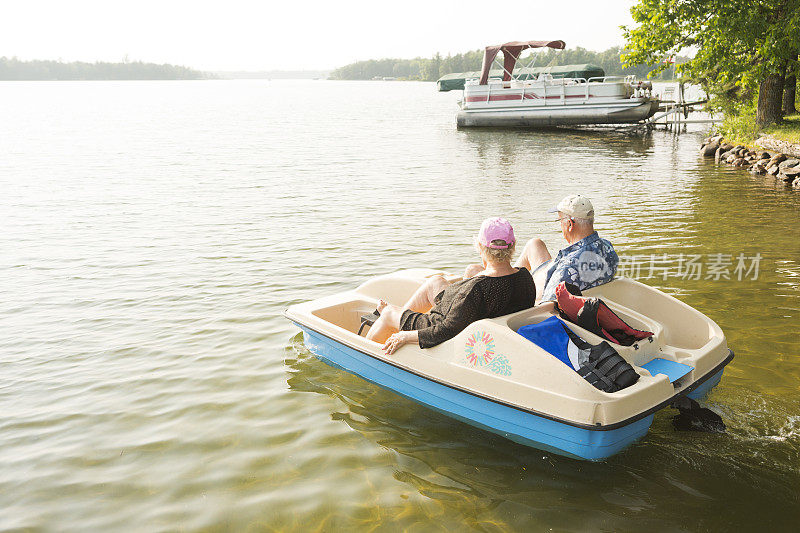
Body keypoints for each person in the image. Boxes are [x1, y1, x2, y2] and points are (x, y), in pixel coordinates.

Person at [366, 217, 536, 354]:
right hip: (472, 314)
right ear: (513, 246)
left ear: (480, 247)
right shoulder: (524, 277)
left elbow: (446, 331)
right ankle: (401, 318)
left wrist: (405, 336)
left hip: (443, 325)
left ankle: (370, 347)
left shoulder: (476, 289)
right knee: (435, 282)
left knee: (388, 312)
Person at [515, 194, 618, 308]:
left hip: (548, 298)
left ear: (569, 224)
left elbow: (546, 307)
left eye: (560, 221)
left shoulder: (567, 269)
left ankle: (506, 282)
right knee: (534, 244)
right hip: (586, 289)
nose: (560, 226)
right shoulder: (607, 247)